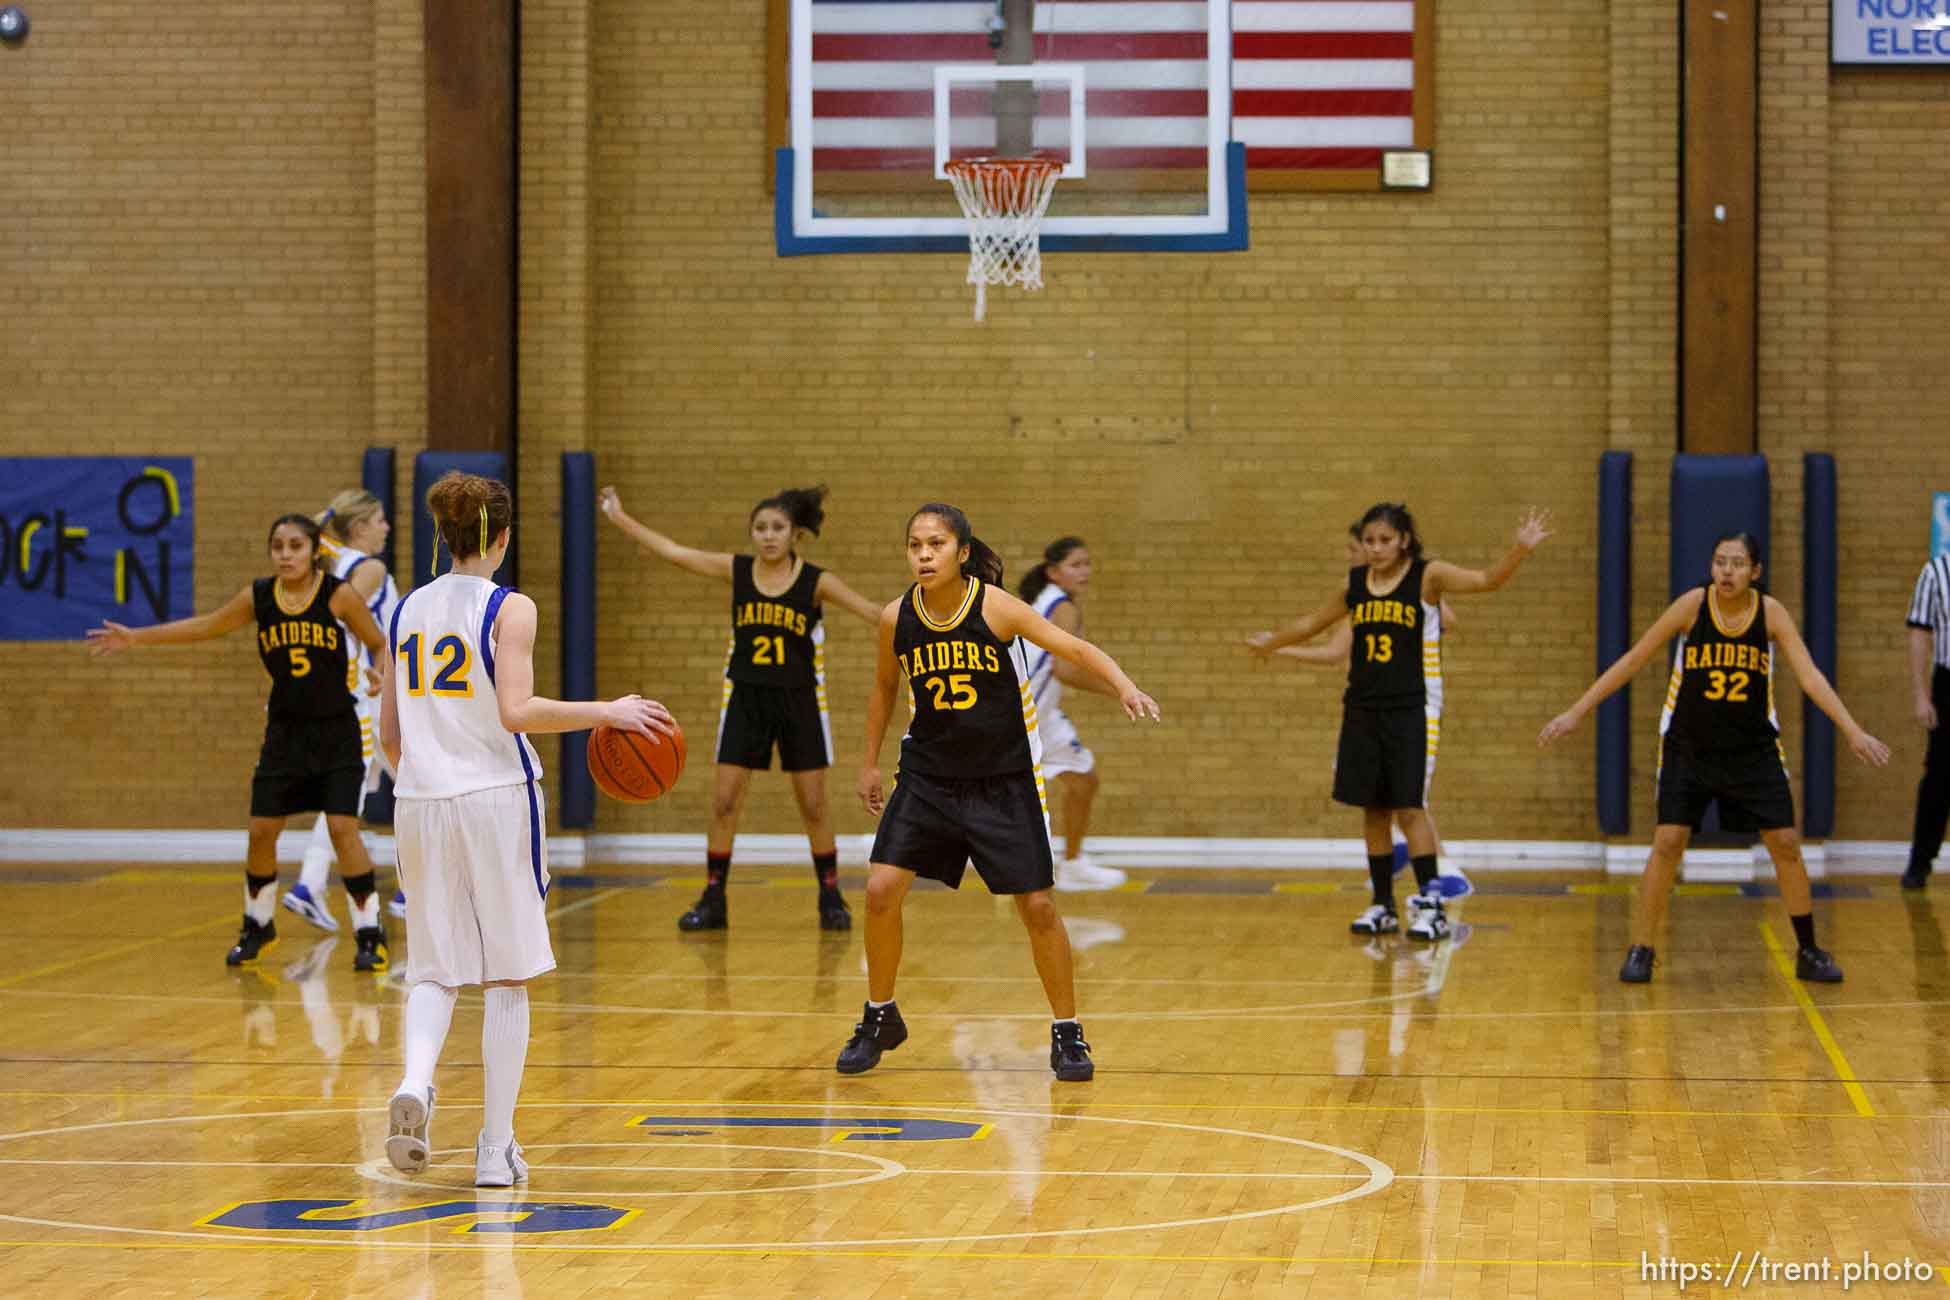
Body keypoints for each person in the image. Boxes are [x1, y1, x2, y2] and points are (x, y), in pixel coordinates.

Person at [379, 471, 672, 1187]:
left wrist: (426, 778)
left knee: (433, 966)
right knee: (507, 975)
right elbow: (515, 711)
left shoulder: (406, 608)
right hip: (495, 799)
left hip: (418, 799)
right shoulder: (511, 609)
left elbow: (389, 734)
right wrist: (607, 711)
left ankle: (416, 1082)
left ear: (442, 537)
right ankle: (493, 1148)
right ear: (503, 537)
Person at [839, 503, 1160, 1082]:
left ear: (962, 553)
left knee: (1037, 906)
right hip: (929, 777)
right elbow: (884, 690)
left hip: (1003, 779)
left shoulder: (996, 608)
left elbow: (1075, 650)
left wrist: (1124, 686)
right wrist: (867, 764)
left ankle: (1068, 1032)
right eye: (915, 545)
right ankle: (879, 1015)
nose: (924, 554)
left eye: (936, 544)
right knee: (881, 887)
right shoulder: (896, 618)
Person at [1539, 531, 1891, 983]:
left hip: (1753, 749)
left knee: (1784, 842)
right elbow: (1634, 659)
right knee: (1667, 842)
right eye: (1720, 561)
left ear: (1755, 572)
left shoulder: (1770, 613)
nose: (1727, 570)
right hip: (1690, 746)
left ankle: (1809, 950)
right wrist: (1576, 711)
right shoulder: (1692, 606)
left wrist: (1852, 729)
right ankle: (1641, 949)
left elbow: (1810, 678)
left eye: (1738, 563)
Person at [88, 513, 393, 971]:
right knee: (261, 831)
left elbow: (379, 642)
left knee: (343, 830)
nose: (286, 554)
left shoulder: (339, 595)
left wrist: (378, 672)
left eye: (295, 546)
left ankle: (370, 934)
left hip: (337, 731)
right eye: (278, 547)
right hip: (285, 734)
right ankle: (258, 926)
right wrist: (136, 638)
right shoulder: (259, 596)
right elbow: (206, 626)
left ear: (314, 552)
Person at [1248, 503, 1550, 941]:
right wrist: (1270, 644)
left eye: (1385, 540)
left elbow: (1487, 581)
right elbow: (1314, 622)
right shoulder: (1354, 585)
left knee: (1409, 807)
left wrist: (1519, 550)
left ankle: (1430, 901)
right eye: (1369, 541)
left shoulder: (1428, 576)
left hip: (1411, 706)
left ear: (1404, 540)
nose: (1376, 548)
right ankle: (1383, 903)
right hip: (1363, 707)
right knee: (1373, 809)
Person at [600, 483, 881, 933]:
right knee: (724, 802)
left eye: (778, 528)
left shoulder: (816, 581)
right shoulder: (738, 570)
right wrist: (620, 517)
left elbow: (872, 611)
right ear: (752, 534)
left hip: (800, 700)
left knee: (814, 806)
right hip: (745, 698)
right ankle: (714, 899)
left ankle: (831, 898)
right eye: (760, 528)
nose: (768, 536)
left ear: (794, 535)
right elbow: (674, 552)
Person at [1273, 523, 1466, 898]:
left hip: (1411, 703)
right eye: (1362, 545)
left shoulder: (1410, 589)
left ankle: (1442, 870)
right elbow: (1332, 650)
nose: (1354, 554)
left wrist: (1418, 624)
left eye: (1356, 548)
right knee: (1382, 796)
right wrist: (1282, 648)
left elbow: (1450, 619)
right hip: (1371, 707)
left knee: (1410, 798)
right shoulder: (1358, 597)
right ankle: (1394, 863)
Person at [282, 489, 409, 933]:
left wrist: (331, 509)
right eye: (379, 520)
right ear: (358, 529)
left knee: (348, 798)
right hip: (369, 699)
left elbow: (312, 531)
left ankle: (308, 887)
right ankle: (410, 889)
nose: (386, 528)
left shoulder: (336, 562)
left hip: (356, 699)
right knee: (421, 786)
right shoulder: (368, 568)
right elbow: (332, 617)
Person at [1018, 536, 1127, 891]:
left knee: (1083, 779)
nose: (1085, 571)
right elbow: (1066, 670)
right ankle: (899, 843)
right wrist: (1120, 689)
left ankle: (1074, 863)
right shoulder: (1061, 606)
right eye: (1075, 565)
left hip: (1042, 714)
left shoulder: (1046, 601)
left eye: (1087, 564)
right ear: (1053, 571)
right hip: (1019, 713)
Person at [1902, 547, 1950, 889]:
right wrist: (1921, 695)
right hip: (1948, 682)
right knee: (1939, 778)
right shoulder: (1935, 572)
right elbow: (1919, 634)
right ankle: (1920, 863)